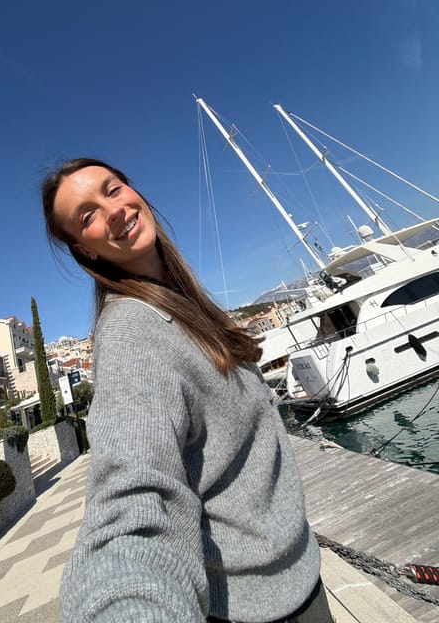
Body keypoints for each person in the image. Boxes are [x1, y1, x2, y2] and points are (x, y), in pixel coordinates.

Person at [42, 158, 334, 623]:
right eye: (88, 215)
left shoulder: (181, 305)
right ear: (85, 249)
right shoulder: (130, 332)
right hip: (261, 609)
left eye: (113, 190)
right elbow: (132, 495)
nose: (113, 210)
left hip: (295, 578)